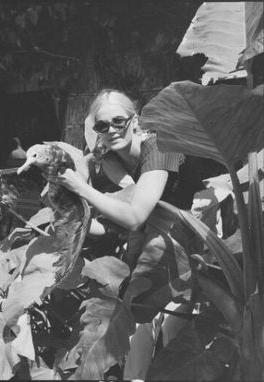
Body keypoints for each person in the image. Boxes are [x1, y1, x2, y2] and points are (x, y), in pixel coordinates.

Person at [55, 89, 199, 379]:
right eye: (102, 125)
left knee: (175, 332)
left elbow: (134, 217)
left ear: (135, 120)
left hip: (194, 241)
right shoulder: (109, 162)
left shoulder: (160, 147)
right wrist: (61, 206)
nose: (111, 130)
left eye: (119, 121)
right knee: (138, 327)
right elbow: (103, 226)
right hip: (154, 245)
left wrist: (82, 189)